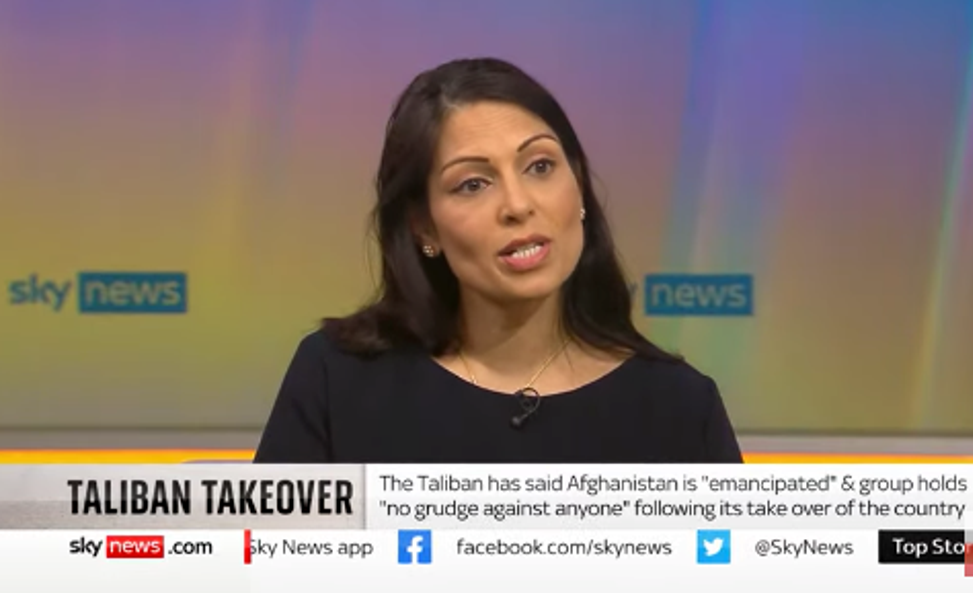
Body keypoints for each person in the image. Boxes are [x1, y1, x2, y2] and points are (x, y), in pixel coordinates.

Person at [254, 57, 742, 463]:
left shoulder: (681, 408)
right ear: (424, 226)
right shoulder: (336, 380)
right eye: (473, 184)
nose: (517, 204)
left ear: (578, 187)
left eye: (540, 166)